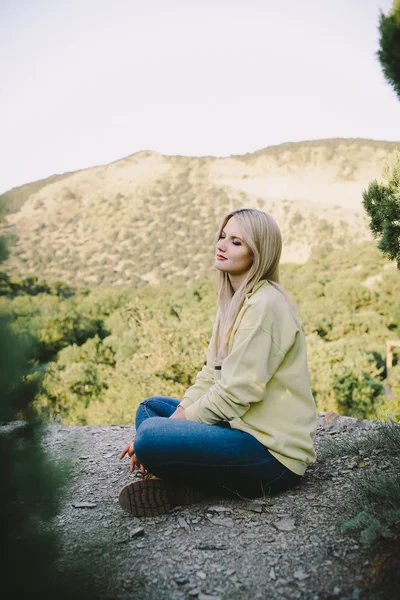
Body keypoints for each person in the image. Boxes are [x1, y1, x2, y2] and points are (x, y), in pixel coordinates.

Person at [119, 208, 317, 517]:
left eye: (236, 242)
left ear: (258, 253)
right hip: (240, 428)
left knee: (151, 435)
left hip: (272, 455)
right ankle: (188, 479)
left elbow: (236, 393)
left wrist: (170, 429)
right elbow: (211, 375)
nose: (222, 245)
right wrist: (178, 417)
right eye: (222, 237)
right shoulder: (233, 302)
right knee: (150, 409)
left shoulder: (265, 306)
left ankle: (178, 480)